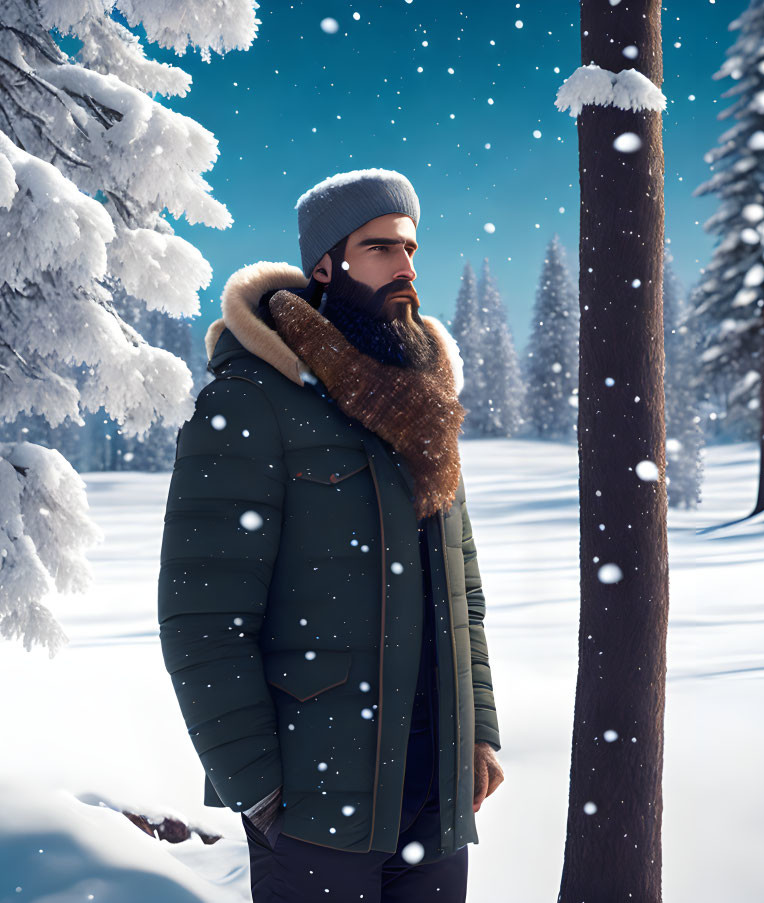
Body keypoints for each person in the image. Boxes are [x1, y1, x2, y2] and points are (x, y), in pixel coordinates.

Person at [157, 169, 504, 902]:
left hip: (432, 796)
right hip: (312, 802)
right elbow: (201, 614)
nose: (406, 268)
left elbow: (461, 592)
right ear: (325, 264)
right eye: (380, 248)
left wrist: (477, 730)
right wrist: (255, 785)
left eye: (410, 249)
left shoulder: (425, 407)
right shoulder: (251, 400)